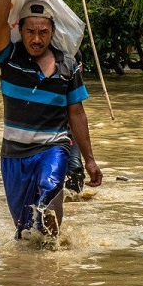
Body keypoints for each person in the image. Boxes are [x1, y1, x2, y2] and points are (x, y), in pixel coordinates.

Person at [0, 0, 102, 240]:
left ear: (52, 32)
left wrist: (89, 159)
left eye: (43, 32)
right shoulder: (9, 58)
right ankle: (32, 266)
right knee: (25, 228)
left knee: (51, 186)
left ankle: (54, 252)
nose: (37, 38)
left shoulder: (67, 65)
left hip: (53, 146)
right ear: (20, 30)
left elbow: (76, 113)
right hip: (14, 155)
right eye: (31, 31)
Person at [65, 50, 86, 194]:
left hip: (70, 132)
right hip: (48, 133)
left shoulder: (75, 83)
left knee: (75, 170)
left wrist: (89, 160)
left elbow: (78, 115)